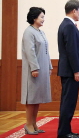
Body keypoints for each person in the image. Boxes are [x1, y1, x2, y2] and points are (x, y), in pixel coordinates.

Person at [57, 0, 79, 138]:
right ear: (74, 10)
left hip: (68, 71)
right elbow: (71, 51)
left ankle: (66, 131)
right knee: (68, 103)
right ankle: (64, 133)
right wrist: (77, 70)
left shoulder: (66, 24)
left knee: (67, 102)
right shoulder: (68, 26)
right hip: (70, 72)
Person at [21, 7, 53, 135]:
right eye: (41, 17)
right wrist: (34, 67)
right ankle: (28, 124)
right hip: (34, 70)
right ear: (34, 18)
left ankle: (34, 124)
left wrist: (49, 66)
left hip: (43, 69)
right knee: (32, 98)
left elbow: (46, 51)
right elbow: (30, 52)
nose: (43, 19)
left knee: (37, 98)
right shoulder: (28, 32)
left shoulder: (41, 32)